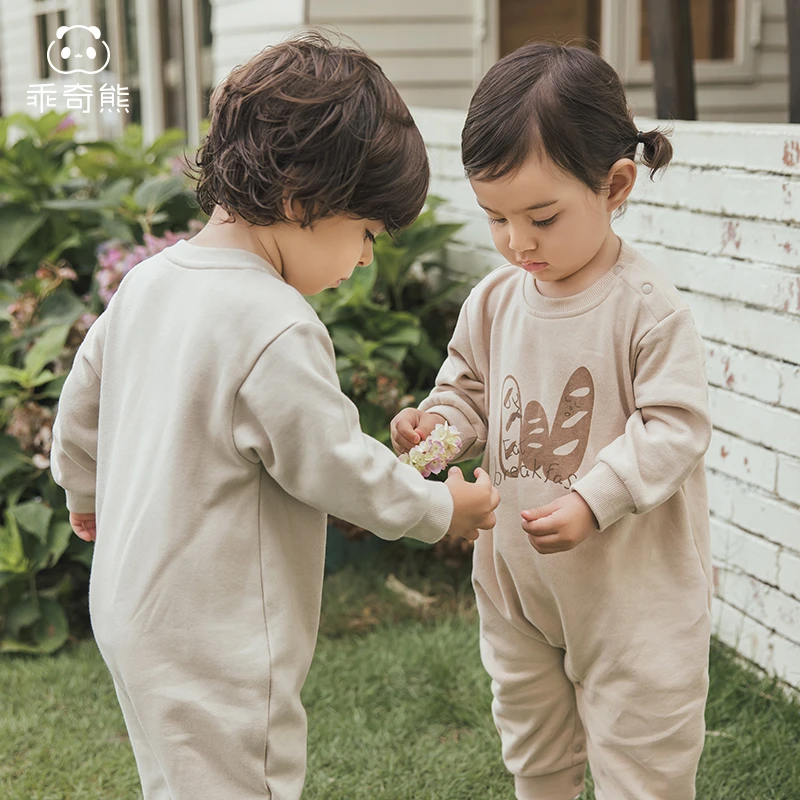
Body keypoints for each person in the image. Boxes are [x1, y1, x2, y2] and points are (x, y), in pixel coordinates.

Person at [51, 33, 499, 800]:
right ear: (302, 201)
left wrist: (83, 492)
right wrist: (441, 507)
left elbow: (80, 411)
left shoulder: (151, 283)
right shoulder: (275, 322)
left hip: (131, 611)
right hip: (214, 638)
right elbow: (333, 464)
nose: (364, 260)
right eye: (364, 234)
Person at [391, 42, 712, 800]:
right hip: (517, 589)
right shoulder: (496, 301)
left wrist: (593, 500)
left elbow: (675, 428)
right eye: (495, 218)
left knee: (645, 771)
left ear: (615, 185)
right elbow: (467, 390)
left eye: (540, 216)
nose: (516, 242)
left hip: (633, 603)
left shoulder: (647, 311)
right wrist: (435, 429)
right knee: (535, 759)